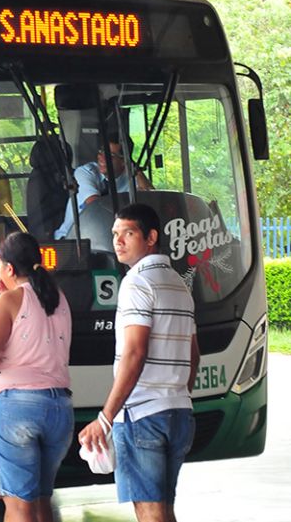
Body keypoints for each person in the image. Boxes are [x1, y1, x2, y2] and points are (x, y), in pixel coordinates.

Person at [78, 203, 199, 522]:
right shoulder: (179, 285)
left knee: (150, 512)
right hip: (178, 413)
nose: (118, 241)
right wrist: (174, 393)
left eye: (128, 233)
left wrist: (105, 418)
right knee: (164, 509)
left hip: (142, 415)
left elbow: (134, 353)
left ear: (151, 237)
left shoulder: (135, 283)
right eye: (115, 234)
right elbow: (193, 354)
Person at [0, 231, 73, 522]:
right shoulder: (58, 298)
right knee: (41, 503)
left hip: (14, 409)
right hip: (58, 408)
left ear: (10, 269)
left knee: (19, 507)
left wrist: (5, 297)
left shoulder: (10, 301)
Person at [55, 132, 152, 239]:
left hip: (109, 240)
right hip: (72, 239)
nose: (102, 158)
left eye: (110, 155)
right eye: (101, 152)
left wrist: (137, 171)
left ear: (123, 161)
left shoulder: (130, 178)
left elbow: (151, 202)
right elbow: (97, 206)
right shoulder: (85, 172)